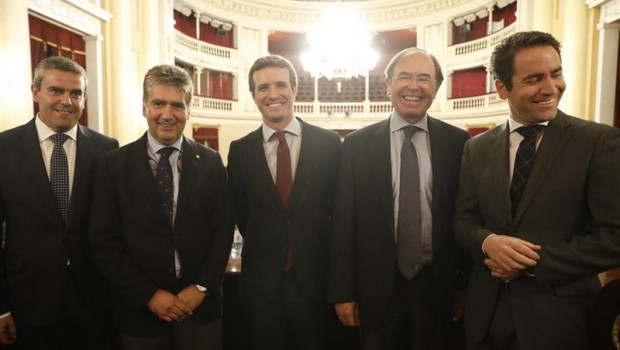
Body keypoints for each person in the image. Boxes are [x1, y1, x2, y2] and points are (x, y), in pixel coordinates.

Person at [454, 31, 620, 350]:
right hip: (485, 319)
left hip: (560, 321)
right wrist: (487, 242)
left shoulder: (600, 142)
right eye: (534, 79)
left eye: (555, 73)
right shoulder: (476, 148)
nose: (550, 88)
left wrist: (530, 262)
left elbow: (614, 237)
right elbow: (462, 222)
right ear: (502, 87)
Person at [328, 47, 470, 350]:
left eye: (424, 79)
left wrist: (463, 287)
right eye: (404, 77)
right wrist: (343, 292)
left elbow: (466, 218)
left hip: (436, 287)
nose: (414, 86)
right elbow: (344, 222)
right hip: (374, 289)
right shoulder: (356, 145)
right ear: (387, 82)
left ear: (436, 88)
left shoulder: (459, 143)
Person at [89, 64, 233, 350]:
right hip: (140, 311)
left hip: (199, 309)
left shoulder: (211, 162)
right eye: (158, 103)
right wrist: (149, 295)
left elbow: (223, 231)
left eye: (177, 105)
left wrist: (202, 286)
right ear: (144, 107)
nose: (167, 114)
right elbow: (104, 242)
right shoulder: (113, 165)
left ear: (189, 111)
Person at [0, 56, 119, 349]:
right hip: (26, 301)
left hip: (94, 300)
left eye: (76, 93)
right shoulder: (4, 148)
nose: (66, 100)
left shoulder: (107, 150)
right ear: (35, 91)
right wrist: (1, 307)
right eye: (56, 90)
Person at [227, 55, 342, 350]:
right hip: (262, 284)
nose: (273, 94)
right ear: (253, 96)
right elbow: (242, 214)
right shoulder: (240, 151)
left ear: (294, 89)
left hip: (316, 282)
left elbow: (339, 212)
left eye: (280, 84)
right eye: (263, 87)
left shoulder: (329, 144)